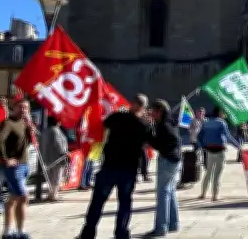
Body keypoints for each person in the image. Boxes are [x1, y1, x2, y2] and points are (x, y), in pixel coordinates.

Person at [77, 94, 157, 239]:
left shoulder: (116, 117)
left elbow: (103, 124)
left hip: (109, 165)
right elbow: (149, 142)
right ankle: (121, 233)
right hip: (128, 169)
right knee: (124, 203)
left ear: (132, 103)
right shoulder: (144, 125)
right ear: (144, 107)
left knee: (98, 202)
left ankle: (88, 232)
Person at [0, 99, 36, 239]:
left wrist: (30, 127)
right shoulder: (8, 123)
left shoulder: (25, 124)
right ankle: (20, 232)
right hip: (13, 167)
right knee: (23, 196)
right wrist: (5, 159)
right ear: (14, 108)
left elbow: (30, 141)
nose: (24, 110)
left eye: (26, 108)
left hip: (24, 164)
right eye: (21, 107)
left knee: (13, 198)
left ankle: (7, 232)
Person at [145, 99, 182, 237]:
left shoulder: (164, 126)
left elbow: (157, 143)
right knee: (170, 192)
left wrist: (148, 129)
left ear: (159, 111)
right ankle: (173, 224)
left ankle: (161, 227)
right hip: (174, 159)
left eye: (153, 110)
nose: (151, 113)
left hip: (167, 160)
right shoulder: (169, 122)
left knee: (163, 193)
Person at [197, 106, 242, 201]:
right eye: (224, 112)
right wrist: (239, 146)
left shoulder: (205, 122)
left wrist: (202, 146)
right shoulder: (222, 123)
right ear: (220, 113)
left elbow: (199, 136)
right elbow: (228, 137)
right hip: (220, 150)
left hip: (209, 150)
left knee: (208, 172)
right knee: (217, 174)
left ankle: (203, 194)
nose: (225, 114)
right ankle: (214, 196)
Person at [40, 116, 70, 201]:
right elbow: (58, 143)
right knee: (57, 177)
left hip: (47, 157)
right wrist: (64, 152)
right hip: (57, 157)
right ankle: (54, 195)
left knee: (50, 177)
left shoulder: (45, 131)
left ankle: (50, 194)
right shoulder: (55, 130)